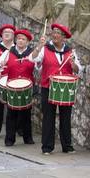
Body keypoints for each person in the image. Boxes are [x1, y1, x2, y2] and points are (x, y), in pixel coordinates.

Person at [30, 23, 82, 155]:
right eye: (53, 32)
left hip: (66, 88)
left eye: (58, 33)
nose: (55, 35)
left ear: (64, 37)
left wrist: (73, 63)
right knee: (48, 117)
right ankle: (47, 147)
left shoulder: (71, 51)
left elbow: (77, 70)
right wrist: (39, 46)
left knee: (66, 117)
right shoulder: (45, 49)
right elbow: (33, 58)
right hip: (48, 86)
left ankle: (67, 146)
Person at [0, 29, 36, 146]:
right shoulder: (9, 52)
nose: (20, 41)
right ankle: (9, 139)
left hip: (27, 86)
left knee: (26, 114)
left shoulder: (32, 53)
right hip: (12, 86)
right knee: (11, 114)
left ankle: (28, 138)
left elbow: (38, 66)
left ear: (27, 42)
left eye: (23, 39)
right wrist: (0, 64)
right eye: (18, 39)